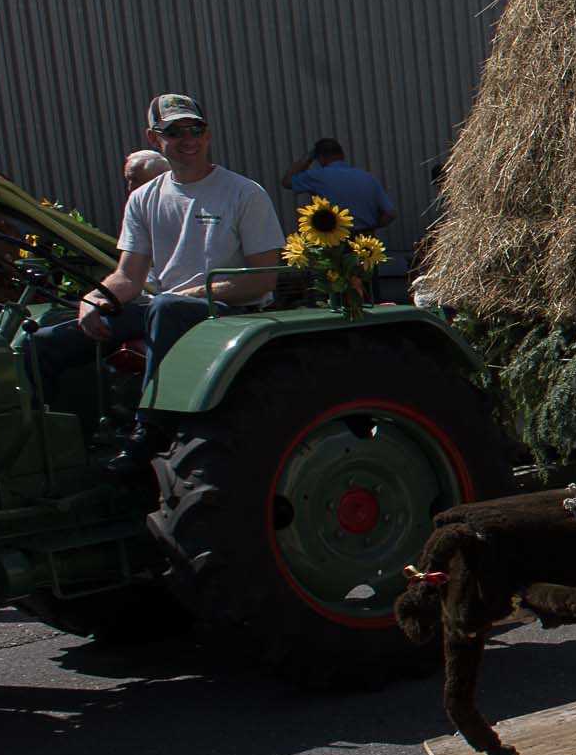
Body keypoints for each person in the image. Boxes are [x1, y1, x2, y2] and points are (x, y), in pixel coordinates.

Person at [34, 94, 283, 480]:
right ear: (154, 137)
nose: (188, 139)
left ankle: (149, 431)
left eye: (195, 129)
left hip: (228, 314)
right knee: (47, 342)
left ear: (208, 133)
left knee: (166, 308)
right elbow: (129, 277)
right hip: (166, 308)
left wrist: (195, 294)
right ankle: (49, 446)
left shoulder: (244, 193)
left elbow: (264, 278)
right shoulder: (144, 198)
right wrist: (95, 300)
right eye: (175, 131)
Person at [281, 139, 399, 234]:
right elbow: (390, 214)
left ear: (320, 158)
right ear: (343, 155)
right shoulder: (369, 177)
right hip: (365, 242)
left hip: (333, 239)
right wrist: (372, 227)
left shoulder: (317, 176)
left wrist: (307, 158)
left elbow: (287, 181)